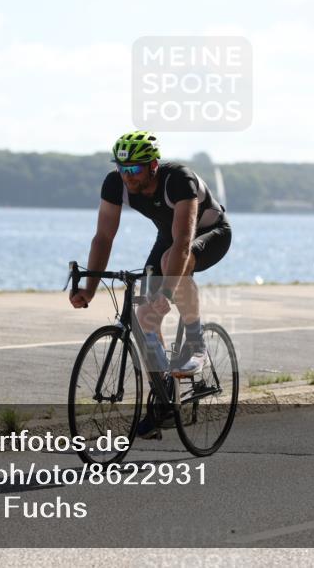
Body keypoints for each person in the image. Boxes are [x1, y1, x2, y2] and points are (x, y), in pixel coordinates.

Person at [69, 131, 231, 436]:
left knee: (171, 263)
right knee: (145, 317)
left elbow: (184, 242)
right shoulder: (115, 183)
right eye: (122, 168)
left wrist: (167, 293)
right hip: (169, 238)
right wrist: (88, 289)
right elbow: (104, 237)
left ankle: (197, 345)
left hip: (210, 234)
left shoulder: (178, 180)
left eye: (134, 169)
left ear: (153, 164)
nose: (127, 176)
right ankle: (163, 402)